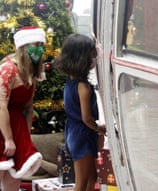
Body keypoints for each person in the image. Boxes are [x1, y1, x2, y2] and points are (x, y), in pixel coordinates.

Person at [55, 33, 106, 191]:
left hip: (75, 132)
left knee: (92, 179)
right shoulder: (83, 87)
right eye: (92, 56)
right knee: (82, 182)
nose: (94, 59)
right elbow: (86, 118)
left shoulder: (70, 82)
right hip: (82, 135)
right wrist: (100, 128)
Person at [0, 26, 45, 190]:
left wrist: (25, 135)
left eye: (41, 44)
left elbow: (28, 107)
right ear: (24, 47)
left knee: (15, 177)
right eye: (35, 44)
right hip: (3, 125)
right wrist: (8, 138)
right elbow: (1, 105)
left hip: (17, 127)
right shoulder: (8, 69)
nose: (39, 49)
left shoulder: (31, 72)